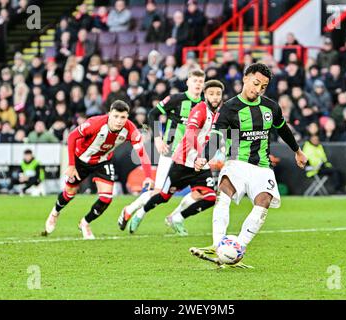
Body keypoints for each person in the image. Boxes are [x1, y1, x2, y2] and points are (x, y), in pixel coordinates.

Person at [190, 63, 307, 268]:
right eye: (255, 83)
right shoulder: (229, 108)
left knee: (264, 202)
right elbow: (217, 137)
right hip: (237, 163)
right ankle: (218, 244)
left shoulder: (271, 107)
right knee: (224, 192)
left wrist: (297, 151)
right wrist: (204, 157)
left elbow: (283, 130)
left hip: (262, 166)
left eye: (263, 86)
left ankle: (237, 250)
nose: (258, 89)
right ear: (245, 79)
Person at [122, 80, 224, 235]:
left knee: (210, 197)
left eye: (218, 94)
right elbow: (189, 135)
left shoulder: (218, 114)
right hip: (181, 160)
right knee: (162, 195)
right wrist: (157, 138)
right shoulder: (197, 109)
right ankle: (139, 213)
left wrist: (208, 156)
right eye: (211, 94)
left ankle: (177, 218)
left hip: (200, 163)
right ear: (204, 94)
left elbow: (217, 137)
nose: (215, 97)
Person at [42, 101, 154, 239]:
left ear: (127, 117)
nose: (119, 121)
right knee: (70, 193)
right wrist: (71, 165)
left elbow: (142, 153)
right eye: (116, 116)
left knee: (106, 198)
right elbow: (72, 136)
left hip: (103, 161)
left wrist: (148, 176)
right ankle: (54, 213)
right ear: (109, 114)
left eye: (123, 117)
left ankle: (84, 223)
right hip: (81, 160)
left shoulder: (130, 130)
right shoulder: (95, 123)